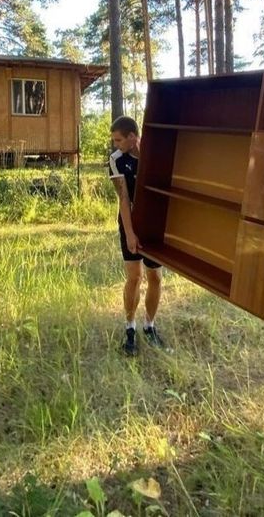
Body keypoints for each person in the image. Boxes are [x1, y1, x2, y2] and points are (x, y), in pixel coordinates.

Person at [108, 116, 165, 355]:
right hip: (130, 223)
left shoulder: (157, 153)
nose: (115, 144)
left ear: (133, 137)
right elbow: (123, 200)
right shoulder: (116, 160)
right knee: (134, 277)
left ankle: (149, 327)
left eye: (119, 140)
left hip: (155, 225)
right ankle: (130, 328)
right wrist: (130, 234)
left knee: (156, 277)